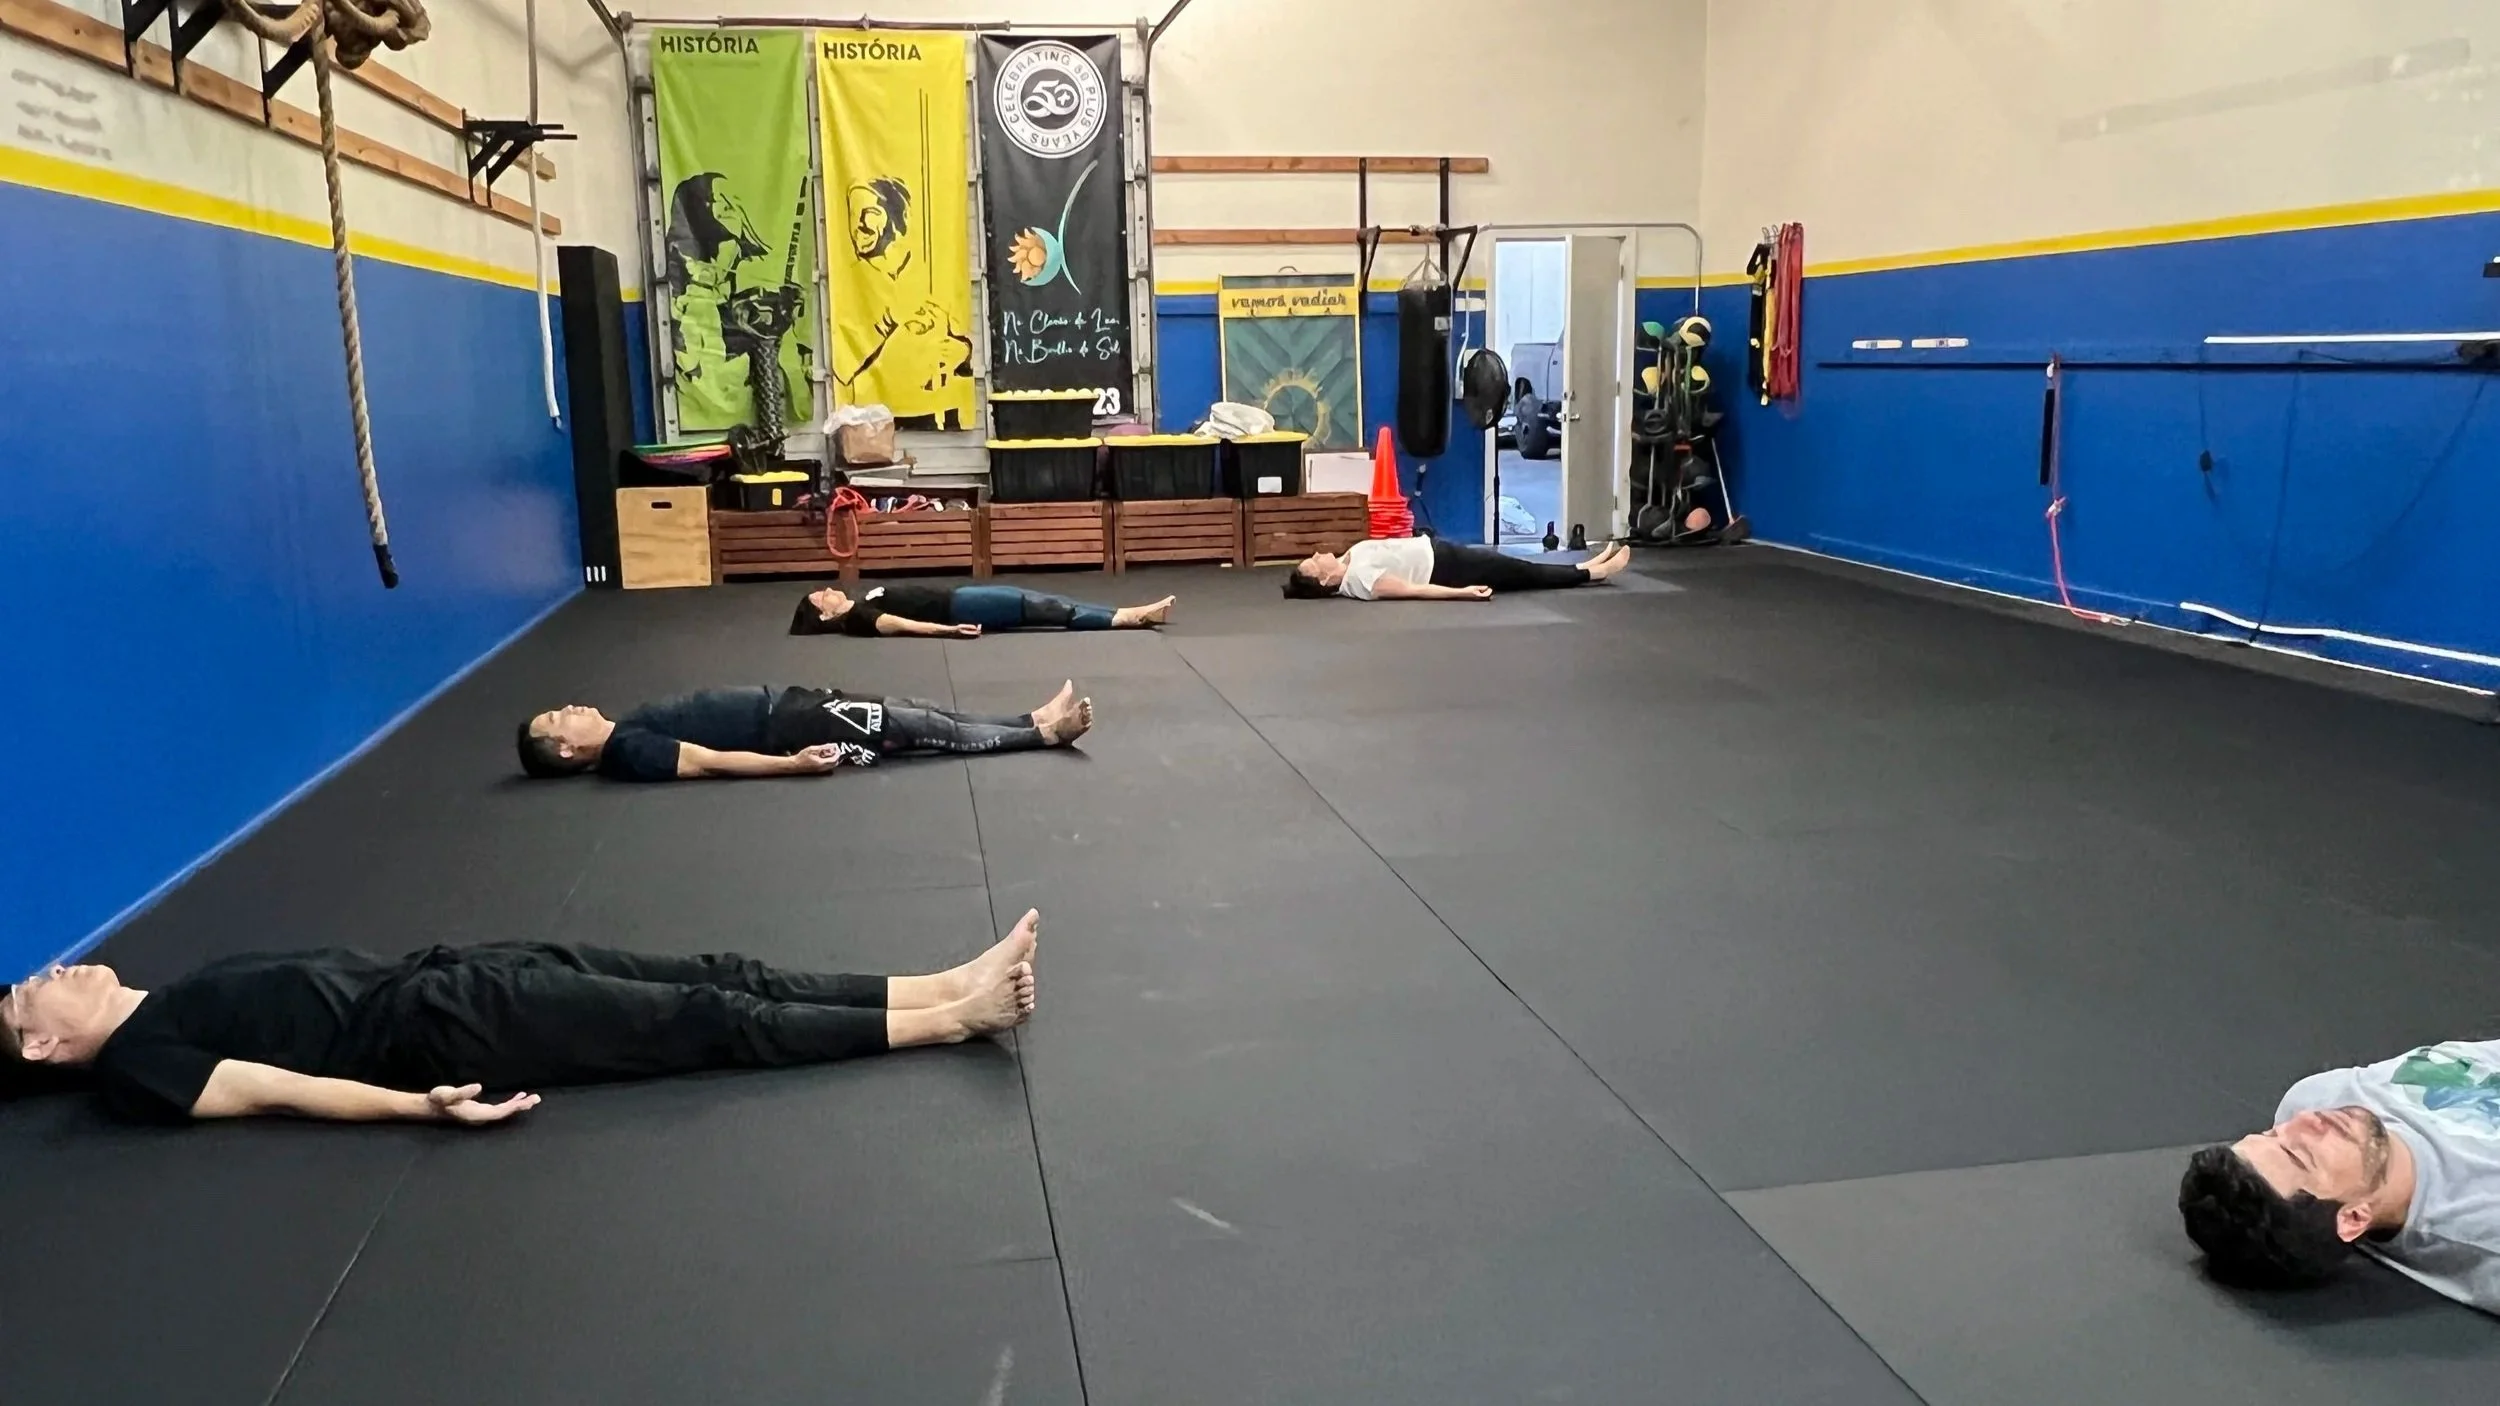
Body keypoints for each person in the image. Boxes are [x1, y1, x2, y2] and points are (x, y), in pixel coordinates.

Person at [0, 913, 1043, 1125]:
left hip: (457, 965)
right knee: (702, 1015)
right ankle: (952, 1020)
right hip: (452, 1024)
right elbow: (276, 1088)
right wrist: (416, 1104)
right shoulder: (141, 1063)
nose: (50, 969)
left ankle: (936, 978)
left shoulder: (160, 997)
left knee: (725, 965)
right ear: (42, 1042)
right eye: (27, 991)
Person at [2178, 1039, 2500, 1312]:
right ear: (2353, 1218)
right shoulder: (2481, 1229)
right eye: (2300, 1155)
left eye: (2273, 1133)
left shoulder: (2318, 1097)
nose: (2306, 1120)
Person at [516, 681, 1093, 782]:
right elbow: (705, 761)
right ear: (567, 748)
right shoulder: (628, 751)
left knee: (919, 708)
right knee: (918, 726)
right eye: (557, 717)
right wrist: (792, 763)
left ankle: (1030, 719)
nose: (568, 708)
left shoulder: (627, 728)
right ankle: (1043, 736)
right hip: (789, 725)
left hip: (792, 704)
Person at [1282, 537, 1633, 601]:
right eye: (1314, 562)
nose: (1317, 554)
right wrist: (1462, 594)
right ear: (1324, 579)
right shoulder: (1361, 581)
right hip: (1449, 569)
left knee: (1519, 569)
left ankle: (1585, 565)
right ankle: (1591, 573)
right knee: (1523, 572)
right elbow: (1414, 590)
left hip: (1441, 551)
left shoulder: (1348, 559)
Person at [789, 584, 1175, 639]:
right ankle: (1127, 617)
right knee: (1043, 608)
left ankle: (1128, 613)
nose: (825, 591)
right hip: (961, 606)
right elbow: (896, 624)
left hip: (961, 596)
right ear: (825, 616)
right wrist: (948, 630)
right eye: (819, 599)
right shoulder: (858, 618)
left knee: (1044, 603)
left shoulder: (860, 600)